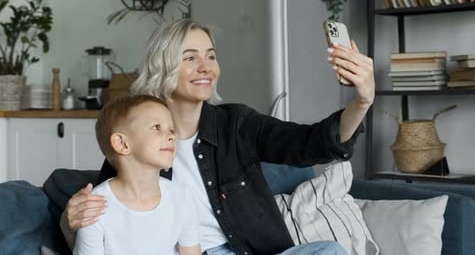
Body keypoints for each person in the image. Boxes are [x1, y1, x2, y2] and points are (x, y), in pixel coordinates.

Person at [61, 18, 375, 255]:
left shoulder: (236, 124)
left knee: (329, 251)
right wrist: (69, 221)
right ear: (163, 66)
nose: (206, 67)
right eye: (190, 57)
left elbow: (310, 144)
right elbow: (103, 222)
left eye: (211, 56)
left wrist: (361, 102)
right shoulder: (137, 141)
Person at [73, 94, 201, 255]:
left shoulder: (182, 197)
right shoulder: (94, 208)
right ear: (122, 144)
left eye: (171, 130)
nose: (172, 136)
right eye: (156, 127)